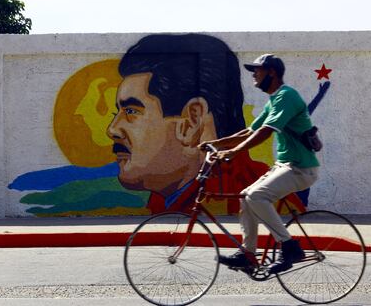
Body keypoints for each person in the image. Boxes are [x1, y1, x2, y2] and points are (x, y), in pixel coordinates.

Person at [107, 34, 270, 214]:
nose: (112, 130)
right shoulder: (167, 200)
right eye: (118, 112)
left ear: (191, 122)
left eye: (131, 111)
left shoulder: (238, 198)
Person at [200, 54, 320, 274]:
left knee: (257, 196)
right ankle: (248, 254)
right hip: (285, 166)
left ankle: (289, 246)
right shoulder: (274, 100)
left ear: (271, 72)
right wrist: (215, 143)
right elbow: (250, 131)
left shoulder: (287, 96)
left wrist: (234, 152)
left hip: (301, 168)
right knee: (246, 197)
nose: (254, 75)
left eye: (257, 70)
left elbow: (266, 131)